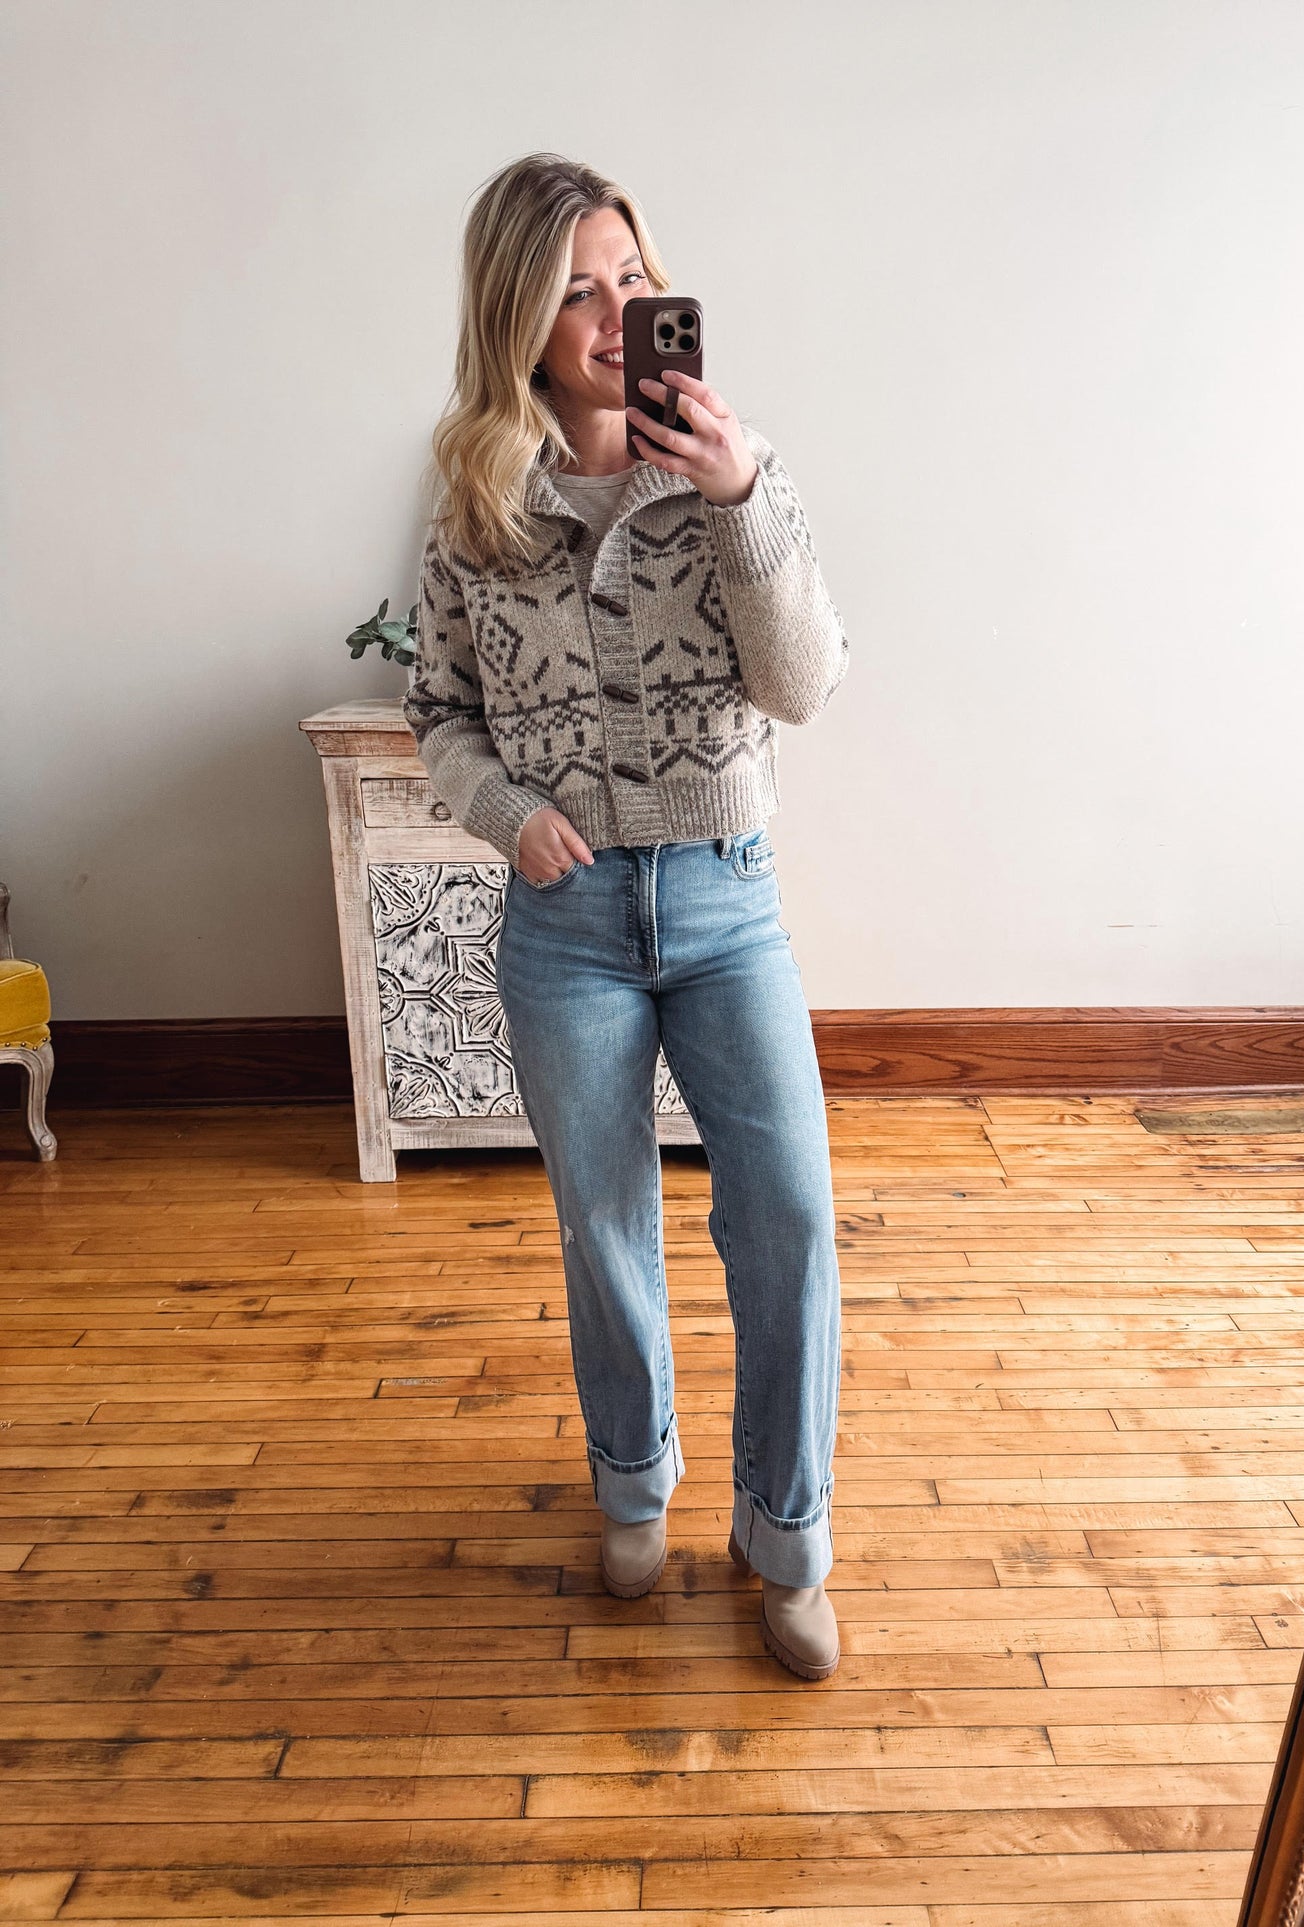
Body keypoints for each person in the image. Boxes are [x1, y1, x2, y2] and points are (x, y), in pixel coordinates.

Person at [403, 152, 849, 1680]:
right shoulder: (474, 488)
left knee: (783, 1221)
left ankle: (785, 1537)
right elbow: (438, 704)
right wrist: (507, 818)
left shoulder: (731, 462)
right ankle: (632, 1487)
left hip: (727, 900)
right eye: (577, 290)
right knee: (604, 1230)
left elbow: (802, 680)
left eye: (632, 280)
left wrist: (734, 494)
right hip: (567, 914)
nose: (613, 315)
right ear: (518, 315)